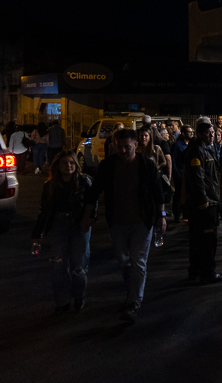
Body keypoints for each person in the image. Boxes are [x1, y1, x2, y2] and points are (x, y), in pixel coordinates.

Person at [85, 128, 165, 322]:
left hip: (141, 222)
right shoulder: (108, 165)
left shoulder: (146, 165)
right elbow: (95, 191)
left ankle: (134, 302)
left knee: (139, 262)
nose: (122, 151)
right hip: (118, 222)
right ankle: (132, 293)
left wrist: (161, 216)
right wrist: (88, 214)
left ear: (135, 145)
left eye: (126, 147)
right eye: (119, 147)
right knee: (123, 261)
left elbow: (158, 192)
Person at [31, 151, 96, 313]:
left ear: (76, 165)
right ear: (58, 167)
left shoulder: (84, 181)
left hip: (79, 225)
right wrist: (38, 235)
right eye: (64, 163)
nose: (68, 166)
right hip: (58, 225)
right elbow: (44, 212)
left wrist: (88, 221)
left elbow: (92, 203)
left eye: (72, 163)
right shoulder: (50, 186)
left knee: (78, 267)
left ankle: (79, 296)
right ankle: (62, 302)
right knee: (57, 265)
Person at [184, 121, 222, 284]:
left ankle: (195, 271)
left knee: (197, 240)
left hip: (208, 199)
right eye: (208, 133)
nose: (212, 136)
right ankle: (208, 272)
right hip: (205, 203)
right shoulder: (198, 151)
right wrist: (203, 199)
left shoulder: (206, 149)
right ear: (200, 134)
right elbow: (197, 177)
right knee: (207, 240)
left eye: (213, 133)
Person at [170, 124, 194, 222]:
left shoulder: (192, 145)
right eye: (189, 132)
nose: (192, 133)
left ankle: (186, 213)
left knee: (188, 194)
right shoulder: (177, 145)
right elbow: (173, 159)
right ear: (183, 133)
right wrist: (176, 173)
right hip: (180, 172)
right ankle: (177, 214)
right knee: (179, 193)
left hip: (189, 173)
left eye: (192, 132)